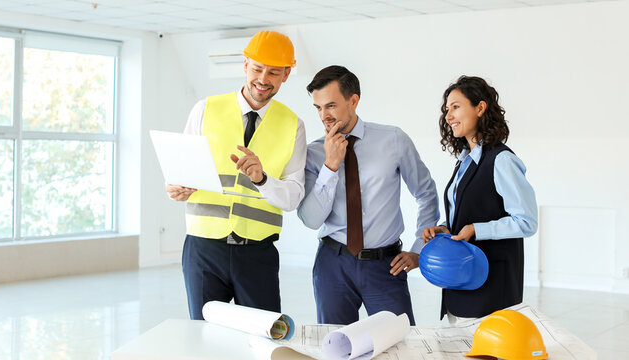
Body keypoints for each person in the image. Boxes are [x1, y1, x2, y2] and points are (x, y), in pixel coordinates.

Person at [165, 30, 307, 320]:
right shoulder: (205, 109)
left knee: (265, 335)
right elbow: (179, 174)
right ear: (245, 65)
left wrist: (263, 179)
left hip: (258, 253)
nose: (263, 79)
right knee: (203, 333)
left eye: (273, 72)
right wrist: (174, 187)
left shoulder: (293, 125)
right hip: (203, 248)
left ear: (286, 75)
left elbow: (293, 197)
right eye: (257, 68)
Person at [297, 65, 439, 326]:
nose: (324, 115)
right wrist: (330, 166)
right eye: (318, 108)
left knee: (400, 341)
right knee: (335, 343)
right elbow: (310, 219)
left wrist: (420, 249)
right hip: (332, 264)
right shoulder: (314, 153)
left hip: (385, 265)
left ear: (353, 101)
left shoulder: (393, 140)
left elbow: (426, 192)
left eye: (331, 106)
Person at [421, 75, 537, 326]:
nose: (448, 116)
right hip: (460, 282)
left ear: (480, 108)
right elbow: (471, 210)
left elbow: (526, 222)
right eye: (446, 109)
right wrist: (445, 228)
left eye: (455, 107)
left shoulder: (502, 160)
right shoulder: (465, 161)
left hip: (491, 287)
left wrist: (476, 229)